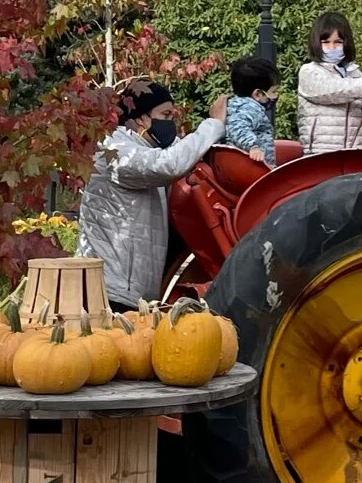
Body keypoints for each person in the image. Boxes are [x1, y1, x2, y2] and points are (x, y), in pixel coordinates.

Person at [78, 77, 226, 309]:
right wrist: (214, 124)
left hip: (128, 290)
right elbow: (169, 163)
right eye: (165, 116)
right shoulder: (114, 149)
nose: (170, 123)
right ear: (140, 118)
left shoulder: (143, 148)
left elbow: (179, 151)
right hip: (108, 290)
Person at [296, 12, 362, 153]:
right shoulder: (309, 71)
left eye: (338, 42)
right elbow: (332, 91)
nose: (332, 47)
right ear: (316, 43)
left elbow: (355, 104)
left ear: (346, 43)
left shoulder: (354, 72)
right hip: (319, 151)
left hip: (352, 149)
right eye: (326, 42)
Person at [223, 55, 279, 166]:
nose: (276, 95)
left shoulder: (236, 105)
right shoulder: (251, 108)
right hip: (254, 166)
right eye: (274, 91)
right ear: (258, 94)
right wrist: (252, 146)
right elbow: (237, 127)